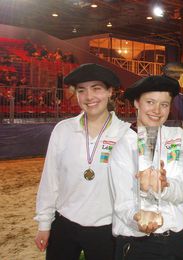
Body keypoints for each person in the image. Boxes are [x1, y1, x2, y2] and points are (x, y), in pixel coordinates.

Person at [34, 63, 131, 260]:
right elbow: (50, 179)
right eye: (81, 90)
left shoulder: (126, 135)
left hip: (107, 229)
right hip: (64, 225)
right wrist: (44, 224)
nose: (89, 97)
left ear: (110, 92)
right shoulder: (63, 130)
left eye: (96, 88)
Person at [109, 75, 183, 260]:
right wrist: (138, 218)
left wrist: (165, 187)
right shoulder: (123, 146)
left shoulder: (179, 137)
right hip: (139, 245)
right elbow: (122, 203)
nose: (157, 110)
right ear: (136, 103)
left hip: (179, 240)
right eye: (150, 102)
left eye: (164, 104)